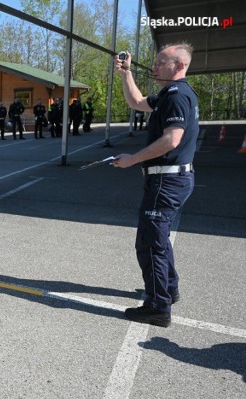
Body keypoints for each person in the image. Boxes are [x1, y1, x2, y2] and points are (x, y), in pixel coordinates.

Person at [113, 43, 199, 327]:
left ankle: (157, 306)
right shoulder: (169, 94)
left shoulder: (176, 96)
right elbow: (136, 102)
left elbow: (172, 139)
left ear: (179, 66)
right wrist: (126, 74)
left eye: (162, 62)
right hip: (171, 178)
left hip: (167, 180)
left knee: (150, 242)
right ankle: (168, 289)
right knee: (158, 239)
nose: (155, 67)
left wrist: (133, 159)